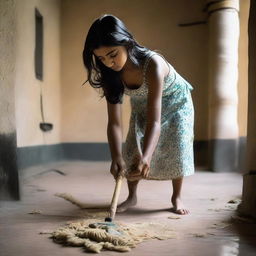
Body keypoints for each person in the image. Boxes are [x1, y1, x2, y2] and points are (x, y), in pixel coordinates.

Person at [83, 14, 194, 215]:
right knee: (134, 146)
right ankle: (131, 197)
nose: (108, 62)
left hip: (177, 102)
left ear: (127, 43)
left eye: (113, 54)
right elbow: (115, 123)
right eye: (101, 58)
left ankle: (176, 196)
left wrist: (148, 157)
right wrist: (116, 156)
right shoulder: (110, 74)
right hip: (143, 102)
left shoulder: (153, 64)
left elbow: (155, 121)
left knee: (177, 145)